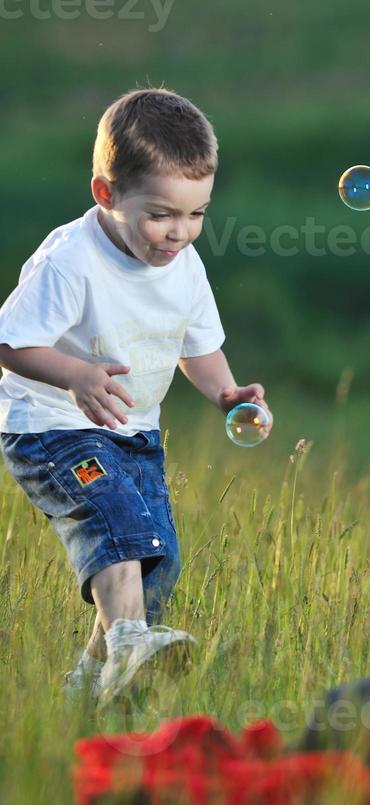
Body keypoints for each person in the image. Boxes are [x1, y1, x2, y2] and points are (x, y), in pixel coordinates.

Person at [0, 86, 273, 707]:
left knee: (158, 557)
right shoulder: (70, 260)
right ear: (107, 194)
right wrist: (72, 374)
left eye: (197, 214)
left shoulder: (185, 265)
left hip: (133, 432)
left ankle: (88, 682)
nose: (180, 233)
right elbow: (9, 343)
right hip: (49, 427)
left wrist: (229, 393)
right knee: (118, 528)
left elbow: (197, 348)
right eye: (161, 215)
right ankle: (130, 641)